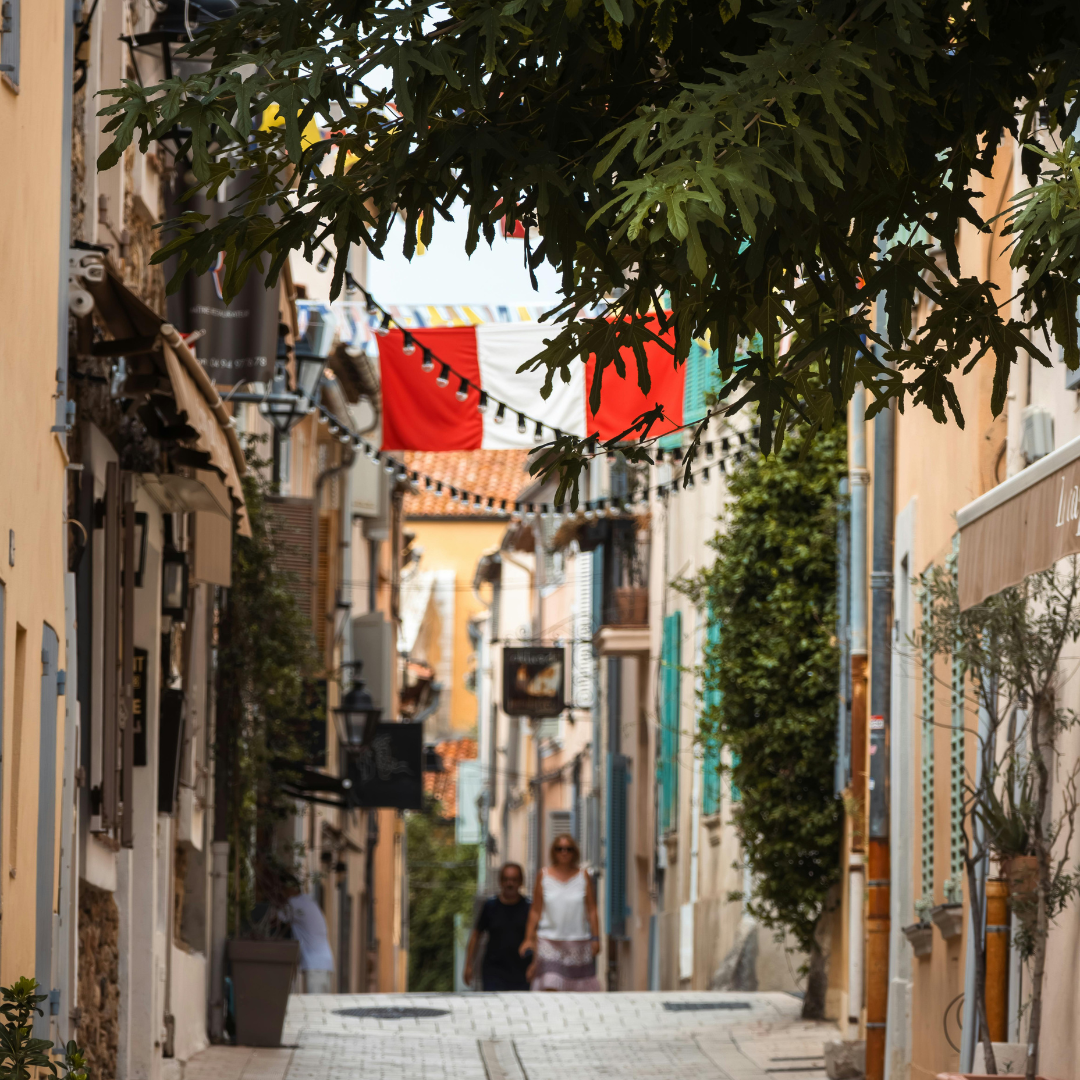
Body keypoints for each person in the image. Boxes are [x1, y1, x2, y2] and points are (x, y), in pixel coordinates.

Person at [520, 833, 601, 991]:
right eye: (560, 849)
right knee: (550, 983)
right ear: (554, 852)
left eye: (568, 849)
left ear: (574, 852)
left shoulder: (583, 876)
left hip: (578, 942)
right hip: (549, 942)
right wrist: (528, 938)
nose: (564, 852)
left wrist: (596, 938)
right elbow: (535, 910)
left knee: (578, 991)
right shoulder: (543, 876)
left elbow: (592, 909)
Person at [464, 862, 532, 991]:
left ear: (521, 882)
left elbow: (537, 938)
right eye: (506, 879)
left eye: (514, 880)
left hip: (521, 972)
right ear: (500, 882)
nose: (509, 883)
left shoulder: (529, 908)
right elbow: (476, 936)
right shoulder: (490, 906)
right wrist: (468, 965)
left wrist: (535, 965)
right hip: (494, 971)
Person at [286, 888, 335, 993]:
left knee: (317, 1004)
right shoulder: (309, 901)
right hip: (325, 963)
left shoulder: (294, 903)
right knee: (322, 1004)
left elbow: (275, 918)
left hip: (315, 965)